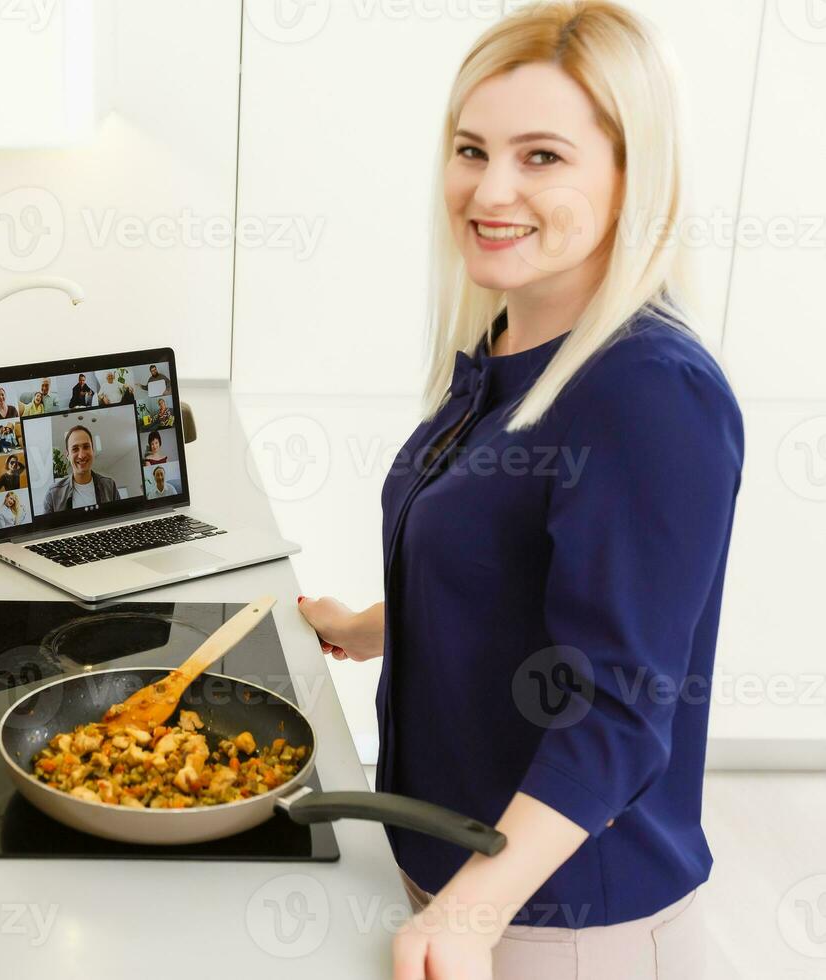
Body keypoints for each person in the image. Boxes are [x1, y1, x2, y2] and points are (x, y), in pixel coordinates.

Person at [296, 6, 741, 978]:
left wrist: (468, 914)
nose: (490, 189)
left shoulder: (646, 392)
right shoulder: (509, 340)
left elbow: (616, 707)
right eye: (471, 148)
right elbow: (506, 568)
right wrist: (369, 624)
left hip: (558, 920)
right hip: (445, 873)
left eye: (542, 156)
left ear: (633, 177)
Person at [43, 425, 118, 511]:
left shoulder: (109, 486)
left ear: (92, 450)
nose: (81, 455)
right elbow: (48, 525)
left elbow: (120, 518)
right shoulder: (53, 494)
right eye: (75, 449)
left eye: (86, 447)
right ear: (68, 455)